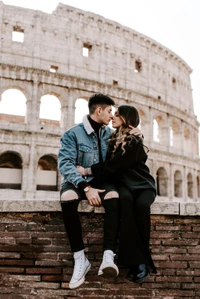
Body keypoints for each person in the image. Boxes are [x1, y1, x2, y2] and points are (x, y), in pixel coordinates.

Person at [77, 104, 157, 284]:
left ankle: (143, 262)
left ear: (126, 119)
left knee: (142, 207)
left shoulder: (135, 141)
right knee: (126, 208)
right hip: (125, 186)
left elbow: (116, 166)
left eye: (117, 115)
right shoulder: (112, 138)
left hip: (143, 185)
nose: (113, 117)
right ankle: (133, 262)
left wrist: (87, 171)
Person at [58, 94, 122, 289]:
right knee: (68, 197)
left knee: (113, 196)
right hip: (78, 182)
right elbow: (66, 164)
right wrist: (86, 188)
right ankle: (80, 259)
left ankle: (107, 257)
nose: (112, 116)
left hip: (100, 180)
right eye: (110, 111)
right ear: (99, 110)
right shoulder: (73, 134)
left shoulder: (110, 134)